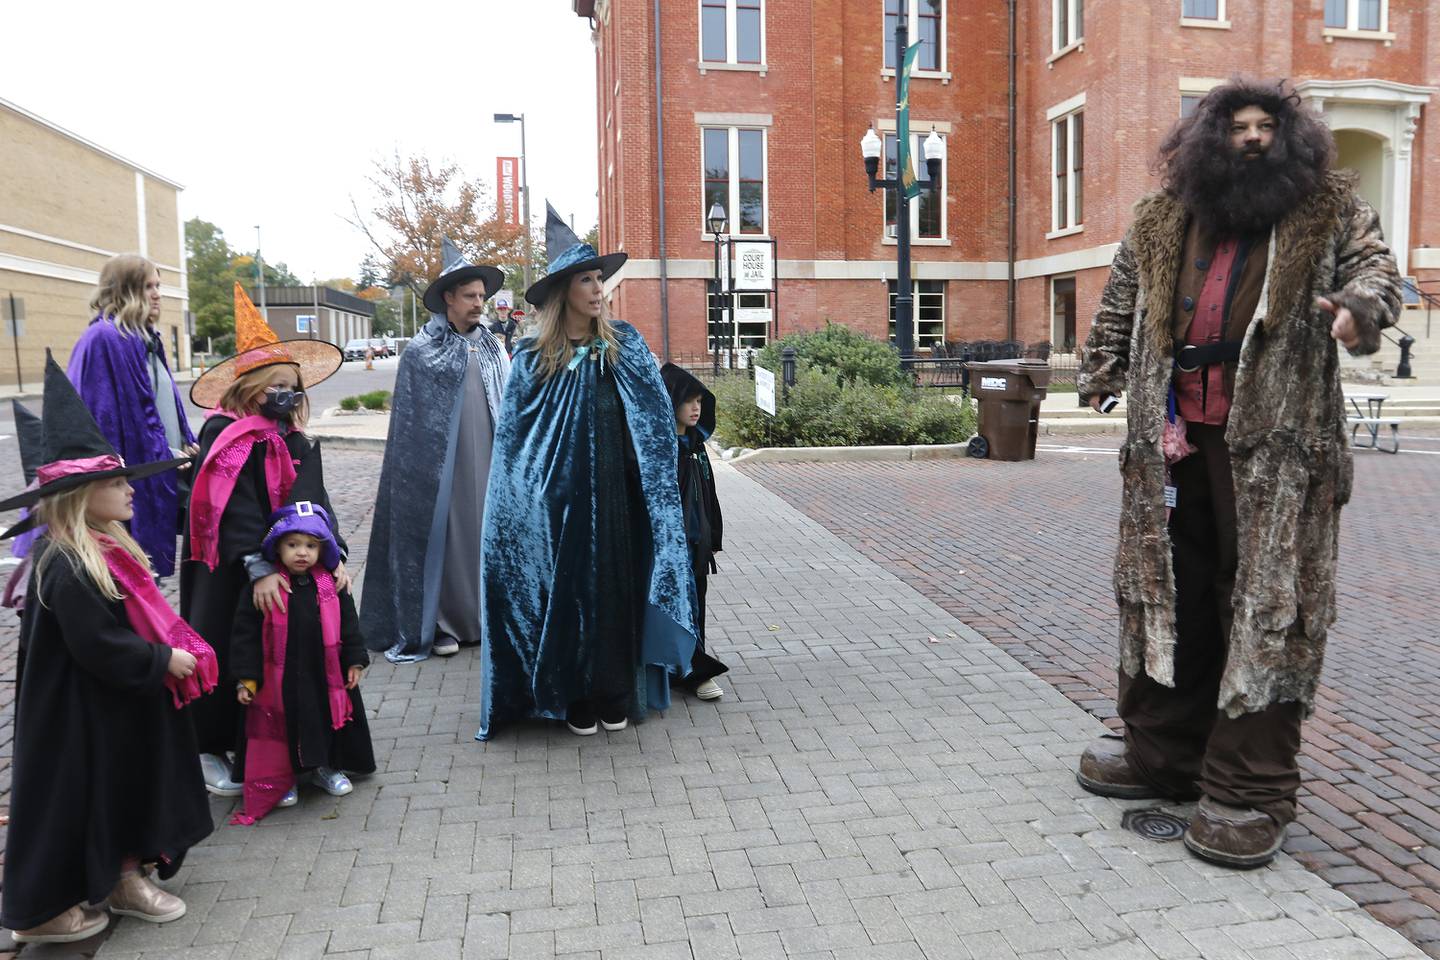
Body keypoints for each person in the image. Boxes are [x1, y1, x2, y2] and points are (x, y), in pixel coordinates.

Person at [1075, 79, 1402, 868]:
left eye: (1266, 127)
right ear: (1205, 142)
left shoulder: (1328, 208)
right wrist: (1102, 362)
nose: (1251, 138)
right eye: (1236, 127)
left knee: (1268, 606)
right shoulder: (1160, 217)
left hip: (1279, 450)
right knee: (1164, 592)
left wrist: (1360, 310)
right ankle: (1163, 756)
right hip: (1170, 443)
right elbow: (1121, 299)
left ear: (1290, 141)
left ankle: (1249, 791)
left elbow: (1380, 273)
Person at [1, 353, 214, 944]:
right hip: (79, 712)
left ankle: (125, 874)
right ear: (79, 495)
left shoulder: (101, 548)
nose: (130, 491)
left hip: (113, 704)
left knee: (124, 785)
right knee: (74, 799)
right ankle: (44, 909)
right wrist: (160, 660)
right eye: (117, 483)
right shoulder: (66, 563)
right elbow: (96, 643)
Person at [478, 204, 697, 739]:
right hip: (560, 503)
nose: (599, 289)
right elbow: (514, 449)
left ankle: (615, 690)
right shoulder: (533, 357)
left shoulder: (625, 344)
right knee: (569, 596)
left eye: (600, 278)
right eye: (586, 279)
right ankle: (573, 694)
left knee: (616, 593)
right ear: (562, 292)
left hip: (618, 499)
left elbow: (651, 425)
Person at [180, 283, 345, 798]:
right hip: (232, 568)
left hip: (289, 562)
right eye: (278, 386)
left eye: (294, 387)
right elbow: (231, 505)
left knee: (291, 652)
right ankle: (211, 746)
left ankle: (292, 746)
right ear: (250, 387)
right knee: (228, 648)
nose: (288, 397)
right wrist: (258, 564)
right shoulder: (224, 434)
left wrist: (332, 553)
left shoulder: (293, 439)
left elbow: (314, 500)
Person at [362, 238, 508, 661]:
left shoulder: (494, 348)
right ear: (448, 298)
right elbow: (409, 428)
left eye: (482, 295)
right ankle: (442, 624)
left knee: (484, 532)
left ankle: (483, 618)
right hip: (440, 469)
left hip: (490, 459)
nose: (479, 303)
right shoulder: (422, 352)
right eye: (470, 296)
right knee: (444, 533)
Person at [230, 485, 374, 823]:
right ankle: (286, 777)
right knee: (285, 727)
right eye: (293, 545)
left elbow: (349, 626)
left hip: (323, 673)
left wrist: (355, 659)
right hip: (278, 677)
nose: (301, 553)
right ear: (277, 546)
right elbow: (245, 634)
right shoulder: (264, 588)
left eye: (310, 546)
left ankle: (324, 767)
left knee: (323, 722)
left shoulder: (331, 585)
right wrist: (246, 676)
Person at [66, 254, 198, 576]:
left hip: (160, 469)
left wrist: (185, 440)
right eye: (147, 286)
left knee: (142, 572)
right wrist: (162, 454)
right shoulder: (105, 339)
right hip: (129, 479)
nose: (157, 294)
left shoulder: (145, 339)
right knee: (126, 573)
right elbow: (104, 421)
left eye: (158, 286)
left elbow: (160, 403)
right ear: (122, 291)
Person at [660, 363, 729, 701]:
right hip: (669, 547)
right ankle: (685, 669)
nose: (696, 408)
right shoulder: (660, 450)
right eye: (688, 401)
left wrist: (713, 536)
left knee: (696, 604)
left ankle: (692, 665)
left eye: (700, 400)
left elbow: (708, 493)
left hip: (696, 545)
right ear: (671, 402)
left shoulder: (696, 447)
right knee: (675, 605)